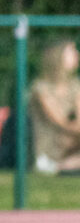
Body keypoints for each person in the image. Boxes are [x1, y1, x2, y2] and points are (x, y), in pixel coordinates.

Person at [30, 41, 80, 175]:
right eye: (71, 51)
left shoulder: (75, 86)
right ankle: (60, 166)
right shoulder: (41, 89)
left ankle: (66, 166)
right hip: (51, 150)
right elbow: (60, 122)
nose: (77, 55)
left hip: (72, 146)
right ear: (57, 56)